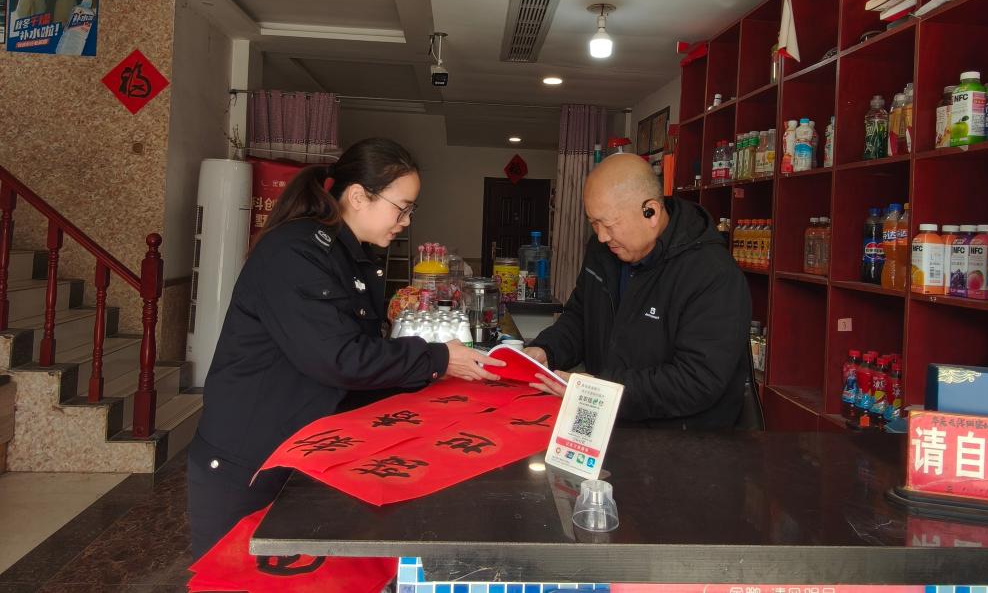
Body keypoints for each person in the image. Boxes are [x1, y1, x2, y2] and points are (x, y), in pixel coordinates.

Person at [188, 137, 503, 557]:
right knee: (237, 578)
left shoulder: (347, 255)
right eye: (401, 207)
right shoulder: (296, 253)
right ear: (357, 196)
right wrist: (438, 358)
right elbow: (338, 358)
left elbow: (358, 354)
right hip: (248, 460)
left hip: (299, 448)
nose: (406, 220)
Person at [525, 153, 750, 428]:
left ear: (650, 212)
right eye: (594, 223)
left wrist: (603, 391)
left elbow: (697, 379)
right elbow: (581, 318)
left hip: (680, 440)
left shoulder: (712, 273)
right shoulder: (602, 251)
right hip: (608, 422)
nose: (602, 236)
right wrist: (546, 351)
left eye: (609, 224)